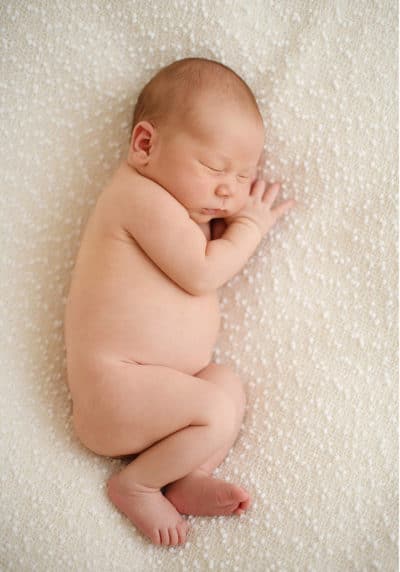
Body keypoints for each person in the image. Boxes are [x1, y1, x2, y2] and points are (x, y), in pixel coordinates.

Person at [64, 57, 294, 545]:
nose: (229, 188)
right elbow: (201, 271)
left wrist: (220, 213)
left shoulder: (181, 208)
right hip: (116, 390)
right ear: (145, 144)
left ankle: (184, 474)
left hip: (158, 391)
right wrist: (249, 227)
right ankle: (136, 485)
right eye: (213, 166)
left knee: (225, 386)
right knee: (214, 408)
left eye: (244, 175)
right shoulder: (138, 197)